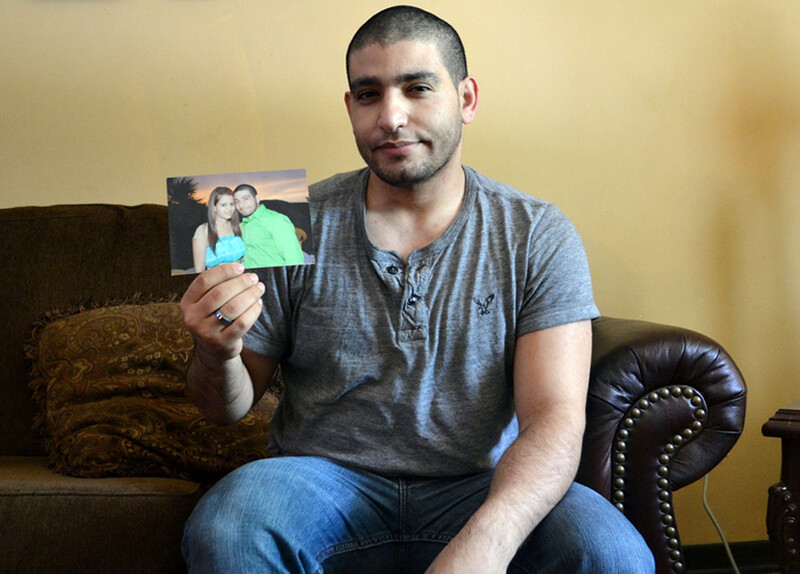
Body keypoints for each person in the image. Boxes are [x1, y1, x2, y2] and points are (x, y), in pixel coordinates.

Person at [180, 6, 655, 574]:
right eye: (368, 94)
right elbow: (223, 410)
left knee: (615, 555)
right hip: (318, 483)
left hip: (479, 485)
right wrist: (216, 352)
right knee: (227, 528)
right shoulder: (286, 228)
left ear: (467, 98)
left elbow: (554, 419)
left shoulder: (534, 233)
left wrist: (485, 546)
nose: (391, 117)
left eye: (417, 87)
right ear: (350, 107)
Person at [233, 183, 306, 268]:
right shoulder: (244, 225)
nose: (241, 205)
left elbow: (294, 259)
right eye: (237, 201)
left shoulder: (276, 220)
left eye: (246, 199)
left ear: (257, 198)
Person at [191, 186, 246, 273]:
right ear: (214, 207)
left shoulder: (238, 227)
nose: (229, 209)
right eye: (224, 205)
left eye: (232, 204)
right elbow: (199, 271)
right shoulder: (203, 231)